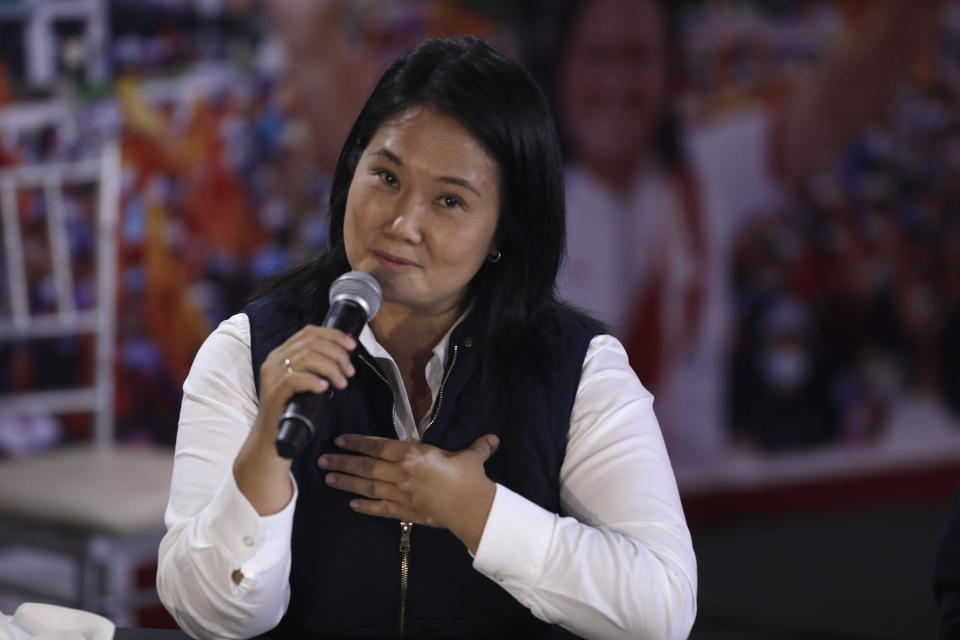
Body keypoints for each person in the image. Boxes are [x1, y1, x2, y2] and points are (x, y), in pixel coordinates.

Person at [157, 36, 696, 639]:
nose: (402, 224)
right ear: (351, 169)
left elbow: (662, 610)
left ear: (503, 232)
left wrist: (476, 511)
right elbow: (207, 616)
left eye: (449, 200)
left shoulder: (578, 369)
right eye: (386, 176)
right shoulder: (248, 349)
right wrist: (265, 453)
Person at [523, 0, 946, 461]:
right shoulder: (510, 206)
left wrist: (917, 13)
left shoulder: (707, 172)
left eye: (638, 56)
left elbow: (833, 109)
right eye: (597, 58)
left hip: (697, 516)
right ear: (558, 67)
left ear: (670, 69)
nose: (616, 84)